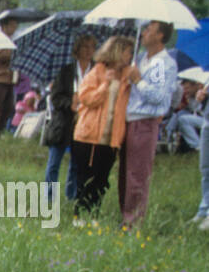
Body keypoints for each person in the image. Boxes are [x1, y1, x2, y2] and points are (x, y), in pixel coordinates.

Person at [118, 21, 180, 226]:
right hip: (129, 119)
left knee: (137, 173)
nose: (144, 33)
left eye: (149, 30)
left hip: (144, 121)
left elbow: (157, 96)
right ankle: (124, 214)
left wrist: (138, 81)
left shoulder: (161, 64)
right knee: (125, 173)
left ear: (160, 35)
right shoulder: (142, 58)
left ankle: (133, 221)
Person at [71, 35, 135, 222]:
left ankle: (94, 214)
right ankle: (79, 215)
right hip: (89, 135)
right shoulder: (97, 72)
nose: (130, 56)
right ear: (117, 51)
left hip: (112, 137)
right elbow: (87, 99)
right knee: (85, 177)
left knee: (102, 179)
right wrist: (105, 84)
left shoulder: (127, 76)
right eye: (127, 52)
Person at [43, 35, 96, 204]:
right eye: (85, 47)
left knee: (77, 163)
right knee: (54, 162)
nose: (88, 51)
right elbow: (55, 97)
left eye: (92, 47)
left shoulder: (96, 71)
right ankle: (49, 198)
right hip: (63, 123)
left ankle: (71, 195)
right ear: (77, 49)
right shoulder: (66, 71)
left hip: (84, 123)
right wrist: (69, 103)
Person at [189, 83, 209, 230]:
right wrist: (202, 99)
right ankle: (204, 209)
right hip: (207, 123)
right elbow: (200, 109)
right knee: (205, 169)